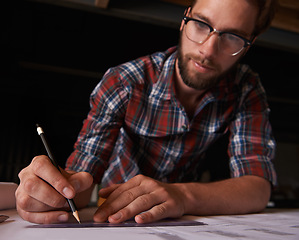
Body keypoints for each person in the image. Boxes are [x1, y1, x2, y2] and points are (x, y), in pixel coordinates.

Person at [16, 0, 278, 224]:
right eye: (200, 24)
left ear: (248, 44)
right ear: (184, 20)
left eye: (232, 36)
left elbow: (257, 188)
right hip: (115, 214)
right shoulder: (123, 82)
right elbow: (82, 180)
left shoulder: (246, 88)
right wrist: (56, 191)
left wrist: (181, 196)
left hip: (182, 218)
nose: (207, 50)